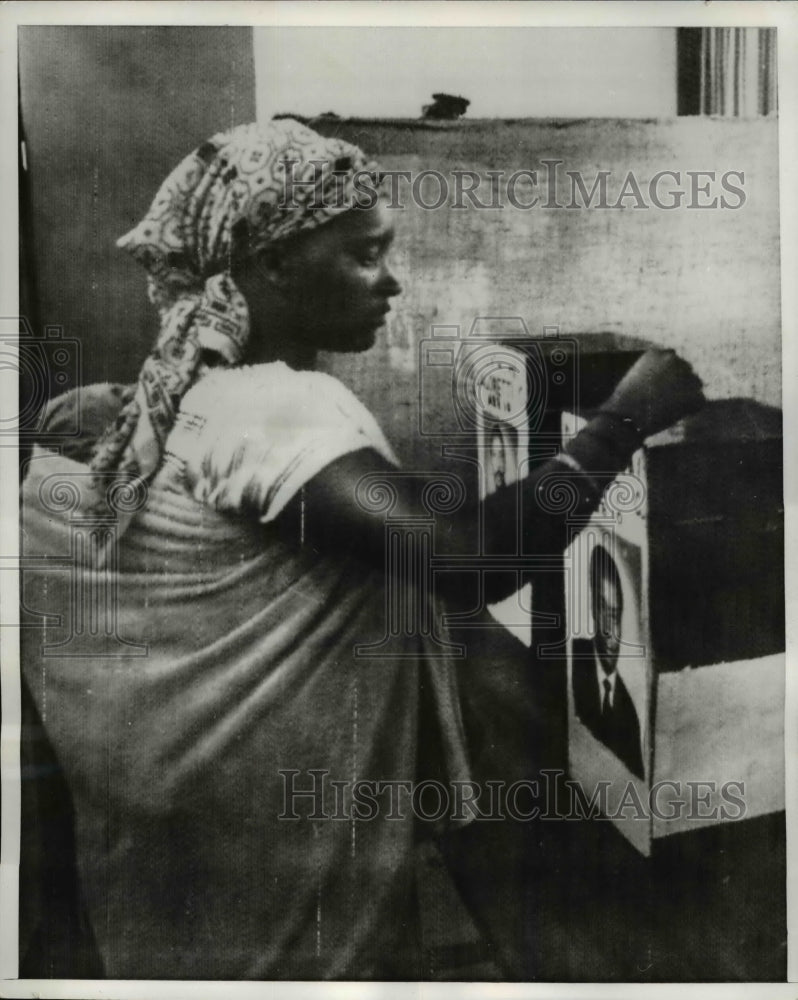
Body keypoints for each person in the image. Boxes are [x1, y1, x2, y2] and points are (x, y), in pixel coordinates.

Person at [20, 118, 704, 980]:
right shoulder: (278, 407)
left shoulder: (173, 402)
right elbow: (466, 560)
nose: (392, 283)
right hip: (280, 878)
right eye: (363, 255)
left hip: (173, 883)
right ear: (269, 266)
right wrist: (622, 423)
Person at [571, 544, 645, 779]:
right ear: (593, 609)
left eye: (616, 616)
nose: (611, 632)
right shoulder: (570, 665)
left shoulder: (629, 714)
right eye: (605, 614)